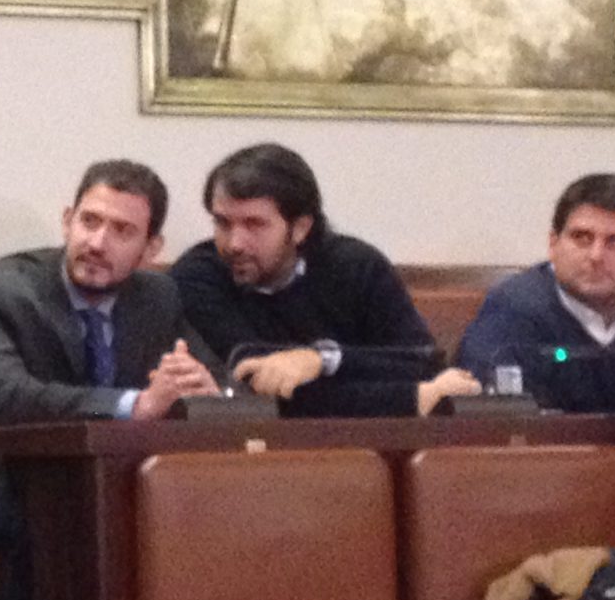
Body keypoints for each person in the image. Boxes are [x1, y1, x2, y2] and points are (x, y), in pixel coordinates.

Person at [0, 158, 216, 584]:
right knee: (68, 522)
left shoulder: (158, 296)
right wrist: (135, 405)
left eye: (122, 231)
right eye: (89, 221)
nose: (97, 242)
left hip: (97, 483)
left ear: (151, 249)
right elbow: (7, 395)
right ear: (67, 221)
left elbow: (218, 380)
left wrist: (206, 393)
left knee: (191, 509)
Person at [171, 142, 479, 416]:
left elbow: (421, 362)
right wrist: (411, 399)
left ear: (300, 228)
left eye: (254, 225)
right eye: (223, 223)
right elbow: (262, 392)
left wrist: (324, 359)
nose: (235, 243)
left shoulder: (357, 265)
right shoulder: (197, 278)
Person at [456, 173, 615, 412]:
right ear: (553, 245)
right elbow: (493, 423)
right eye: (582, 238)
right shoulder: (513, 311)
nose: (596, 256)